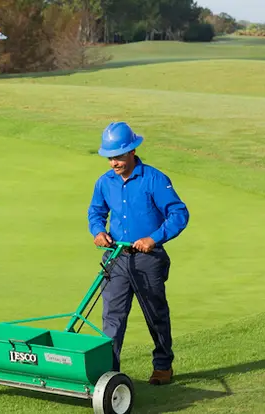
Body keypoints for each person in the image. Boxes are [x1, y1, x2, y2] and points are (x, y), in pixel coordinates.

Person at [87, 121, 190, 385]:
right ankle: (109, 375)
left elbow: (179, 214)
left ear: (132, 151)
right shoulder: (104, 182)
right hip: (116, 257)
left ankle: (163, 366)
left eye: (119, 156)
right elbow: (96, 212)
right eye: (110, 157)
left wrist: (153, 239)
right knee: (112, 317)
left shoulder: (154, 179)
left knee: (155, 314)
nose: (114, 163)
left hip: (148, 259)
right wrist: (98, 232)